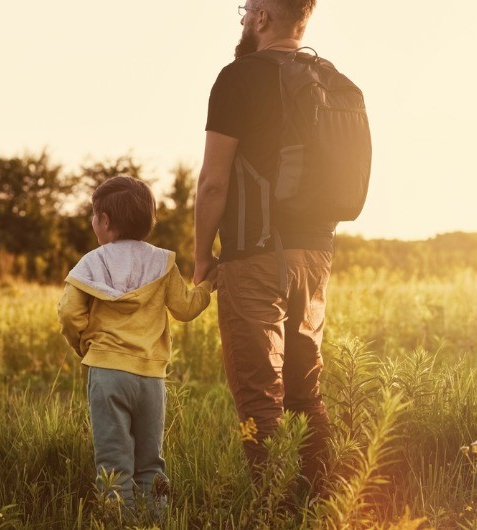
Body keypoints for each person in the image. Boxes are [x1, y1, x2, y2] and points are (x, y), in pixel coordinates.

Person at [193, 0, 334, 489]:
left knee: (259, 400)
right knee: (304, 394)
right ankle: (319, 502)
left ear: (262, 17)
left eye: (247, 7)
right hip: (317, 257)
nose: (244, 16)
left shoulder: (238, 77)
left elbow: (213, 183)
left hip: (254, 256)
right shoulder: (330, 80)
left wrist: (200, 257)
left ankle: (276, 510)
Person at [58, 176, 215, 512]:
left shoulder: (91, 264)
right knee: (150, 462)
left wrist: (84, 345)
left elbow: (70, 314)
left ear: (105, 221)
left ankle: (117, 521)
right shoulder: (162, 262)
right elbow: (186, 308)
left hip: (107, 374)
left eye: (94, 215)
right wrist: (207, 287)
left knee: (113, 463)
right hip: (151, 378)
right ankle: (155, 519)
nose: (92, 222)